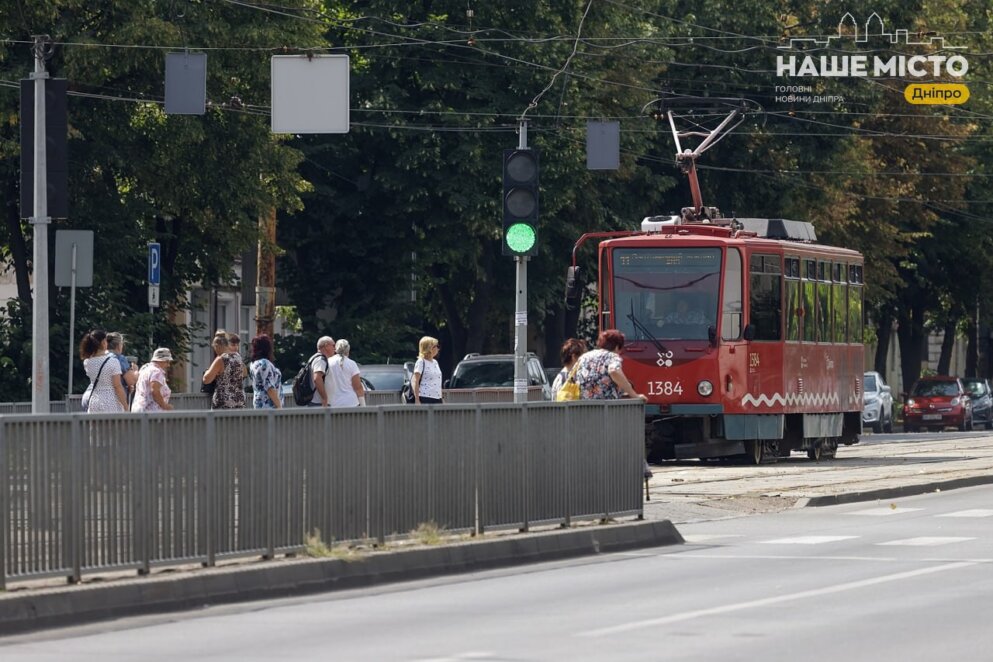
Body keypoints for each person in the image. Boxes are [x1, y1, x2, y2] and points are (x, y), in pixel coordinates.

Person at [573, 329, 652, 478]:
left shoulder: (584, 357)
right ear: (617, 346)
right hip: (608, 410)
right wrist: (634, 394)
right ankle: (632, 472)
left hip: (585, 409)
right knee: (620, 441)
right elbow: (614, 371)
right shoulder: (612, 357)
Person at [79, 329, 129, 412]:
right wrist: (125, 406)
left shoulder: (87, 362)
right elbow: (117, 386)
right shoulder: (113, 361)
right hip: (111, 400)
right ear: (103, 342)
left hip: (94, 400)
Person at [202, 332, 246, 409]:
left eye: (215, 346)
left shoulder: (221, 359)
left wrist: (207, 371)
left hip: (223, 402)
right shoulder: (238, 357)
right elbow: (245, 374)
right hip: (239, 400)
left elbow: (206, 379)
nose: (214, 349)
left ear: (219, 346)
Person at [131, 347, 175, 412]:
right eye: (167, 361)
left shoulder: (145, 369)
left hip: (139, 408)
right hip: (151, 412)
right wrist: (164, 406)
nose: (168, 365)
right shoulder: (156, 372)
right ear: (161, 360)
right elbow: (155, 390)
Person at [327, 339, 366, 407]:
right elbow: (358, 387)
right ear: (348, 350)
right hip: (351, 403)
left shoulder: (328, 362)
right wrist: (363, 405)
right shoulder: (352, 364)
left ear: (335, 349)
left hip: (332, 403)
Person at [249, 334, 282, 409]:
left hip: (258, 404)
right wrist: (279, 406)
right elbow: (269, 388)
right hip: (270, 407)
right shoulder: (265, 364)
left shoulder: (253, 363)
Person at [106, 332, 139, 401]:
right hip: (113, 398)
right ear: (118, 345)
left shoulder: (100, 356)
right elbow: (131, 381)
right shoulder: (119, 358)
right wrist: (135, 371)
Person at [411, 336, 443, 405]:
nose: (438, 348)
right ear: (429, 348)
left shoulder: (435, 362)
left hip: (437, 398)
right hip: (425, 397)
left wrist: (442, 398)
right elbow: (415, 381)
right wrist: (417, 400)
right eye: (436, 346)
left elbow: (437, 381)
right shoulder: (421, 362)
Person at [308, 336, 335, 407]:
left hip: (317, 403)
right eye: (333, 345)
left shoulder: (315, 358)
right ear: (326, 346)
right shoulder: (320, 360)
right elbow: (317, 378)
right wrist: (324, 398)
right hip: (319, 403)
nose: (334, 348)